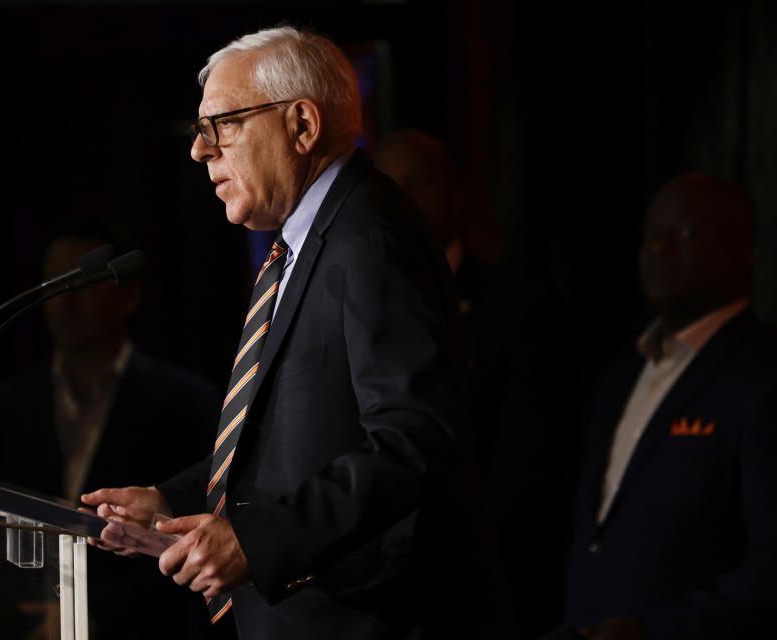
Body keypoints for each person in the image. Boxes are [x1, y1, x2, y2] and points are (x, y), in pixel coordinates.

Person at [82, 26, 508, 639]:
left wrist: (255, 541)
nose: (201, 152)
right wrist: (174, 500)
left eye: (221, 125)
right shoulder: (305, 245)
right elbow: (293, 446)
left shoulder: (369, 237)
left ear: (301, 126)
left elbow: (414, 437)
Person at [0, 230, 221, 639]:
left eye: (81, 283)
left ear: (127, 296)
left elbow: (197, 535)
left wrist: (95, 614)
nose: (66, 302)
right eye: (56, 285)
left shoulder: (191, 405)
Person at [375, 129, 582, 638]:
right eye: (386, 184)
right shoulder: (352, 307)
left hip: (479, 590)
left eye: (417, 182)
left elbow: (525, 468)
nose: (401, 198)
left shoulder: (519, 311)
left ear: (454, 193)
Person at [562, 174, 777, 639]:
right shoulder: (619, 377)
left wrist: (653, 632)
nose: (659, 246)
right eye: (651, 233)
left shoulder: (763, 376)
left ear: (743, 250)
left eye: (685, 233)